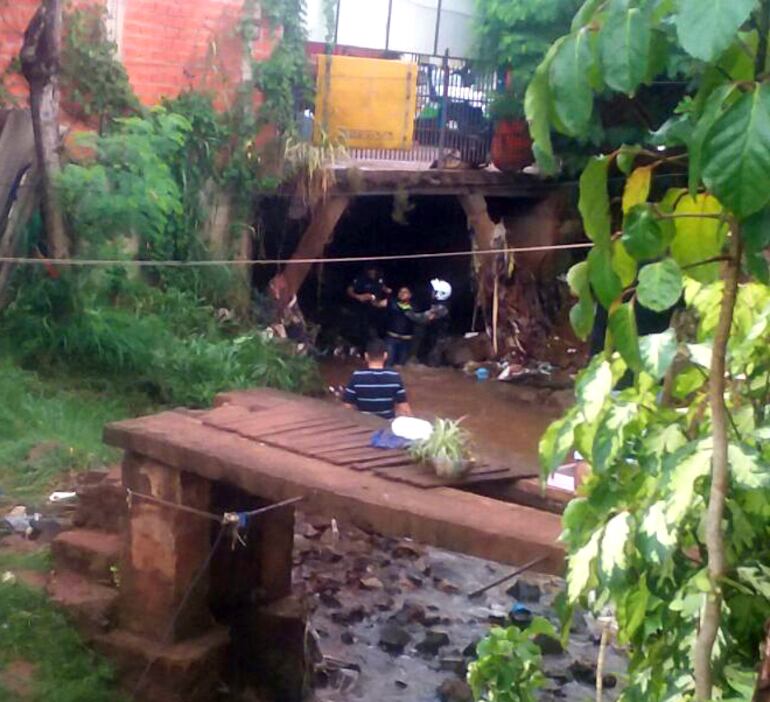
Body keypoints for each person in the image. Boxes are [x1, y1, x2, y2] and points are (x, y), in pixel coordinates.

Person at [342, 339, 412, 419]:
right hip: (386, 425)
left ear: (366, 356)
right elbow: (404, 408)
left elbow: (347, 406)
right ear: (385, 356)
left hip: (363, 424)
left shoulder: (357, 376)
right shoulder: (394, 376)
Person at [385, 286, 434, 367]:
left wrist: (429, 317)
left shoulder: (414, 307)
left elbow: (420, 319)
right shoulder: (392, 302)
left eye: (405, 292)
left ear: (410, 295)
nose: (402, 294)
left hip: (406, 341)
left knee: (401, 365)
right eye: (400, 292)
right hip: (391, 338)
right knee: (388, 363)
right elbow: (378, 304)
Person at [347, 266, 390, 352]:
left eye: (374, 270)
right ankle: (363, 351)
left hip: (377, 310)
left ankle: (377, 351)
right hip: (363, 309)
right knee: (363, 330)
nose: (372, 271)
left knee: (377, 330)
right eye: (370, 269)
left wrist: (390, 294)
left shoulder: (379, 279)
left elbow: (385, 289)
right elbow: (349, 290)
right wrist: (358, 296)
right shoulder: (361, 279)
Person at [424, 278, 452, 366]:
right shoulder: (437, 304)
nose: (431, 292)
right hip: (435, 337)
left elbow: (422, 317)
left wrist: (406, 309)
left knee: (433, 361)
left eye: (434, 291)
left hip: (439, 340)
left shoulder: (441, 307)